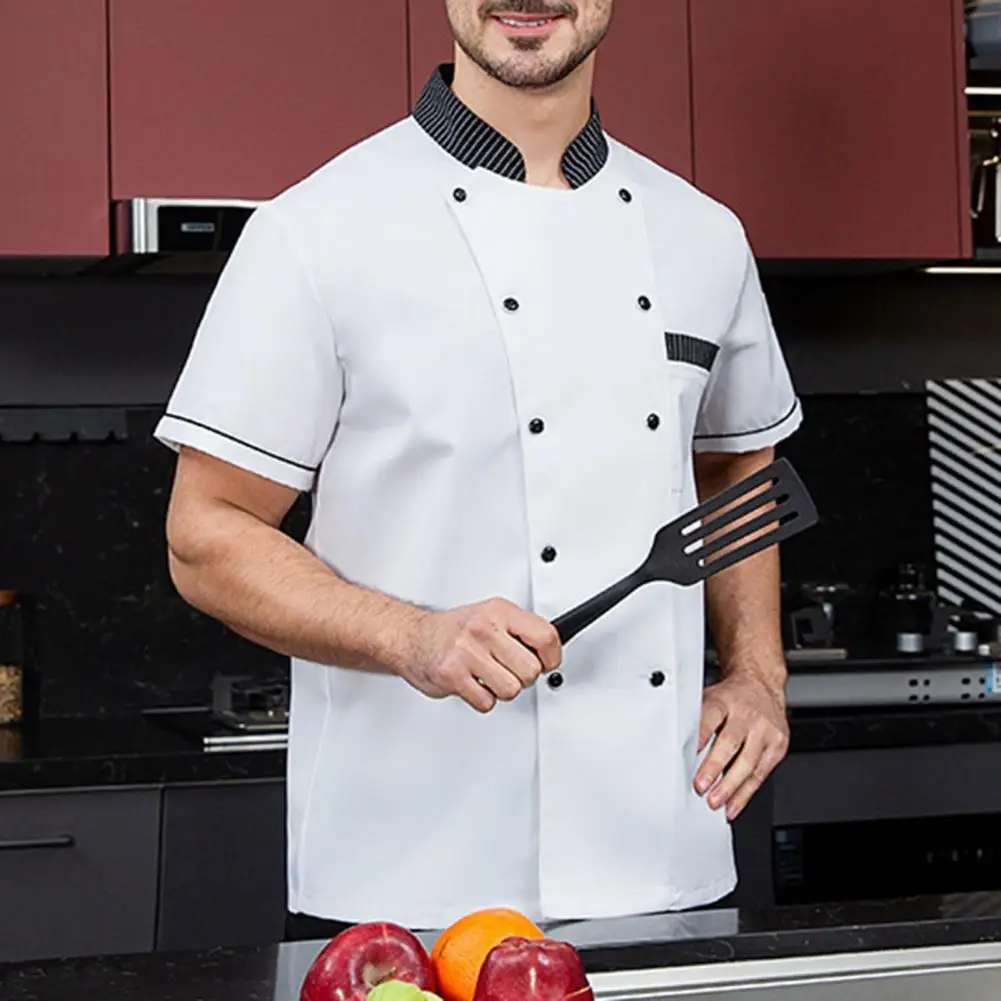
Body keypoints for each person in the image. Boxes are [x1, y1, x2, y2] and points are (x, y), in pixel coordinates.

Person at [156, 0, 802, 939]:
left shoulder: (703, 236)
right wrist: (410, 635)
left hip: (661, 858)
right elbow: (203, 533)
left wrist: (757, 673)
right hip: (405, 877)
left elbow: (736, 467)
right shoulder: (317, 230)